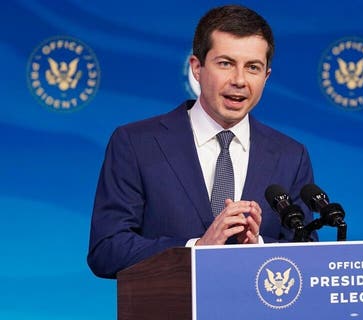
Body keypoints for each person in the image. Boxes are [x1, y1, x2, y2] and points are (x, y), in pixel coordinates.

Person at [87, 5, 316, 279]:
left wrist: (258, 247)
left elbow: (307, 256)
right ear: (197, 68)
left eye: (253, 67)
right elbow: (107, 250)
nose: (240, 80)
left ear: (266, 76)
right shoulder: (136, 144)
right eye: (225, 64)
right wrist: (197, 249)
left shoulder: (290, 155)